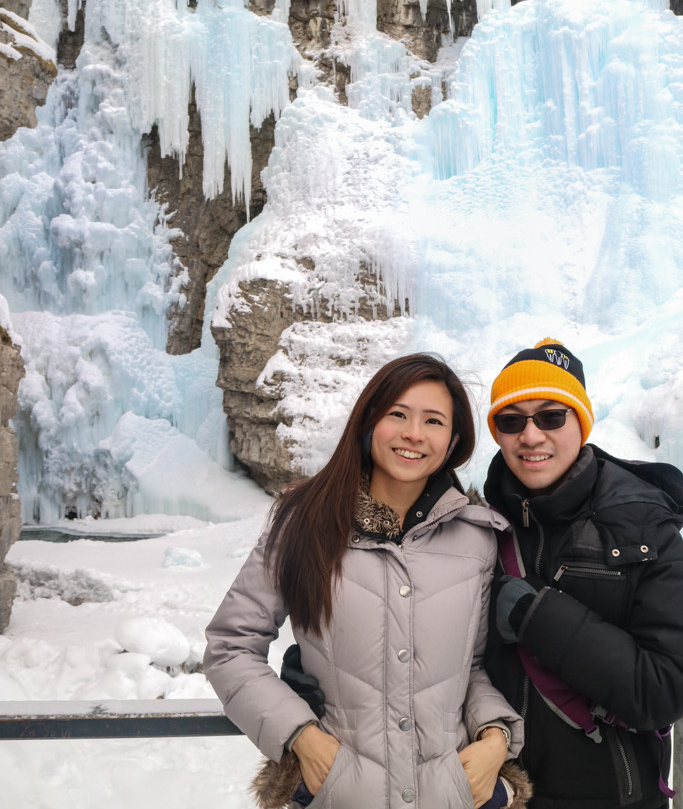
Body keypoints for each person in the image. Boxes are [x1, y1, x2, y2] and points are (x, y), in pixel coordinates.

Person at [203, 353, 527, 809]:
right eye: (398, 414)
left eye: (433, 421)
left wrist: (495, 735)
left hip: (448, 797)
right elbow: (229, 646)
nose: (414, 433)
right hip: (341, 794)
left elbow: (467, 670)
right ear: (369, 421)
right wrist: (302, 737)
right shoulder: (304, 523)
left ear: (453, 441)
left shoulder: (477, 538)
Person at [484, 338, 683, 809]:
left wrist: (539, 616)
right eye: (512, 421)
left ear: (581, 421)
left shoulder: (644, 523)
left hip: (611, 798)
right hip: (494, 793)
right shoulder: (478, 522)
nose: (531, 436)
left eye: (552, 416)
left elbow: (665, 688)